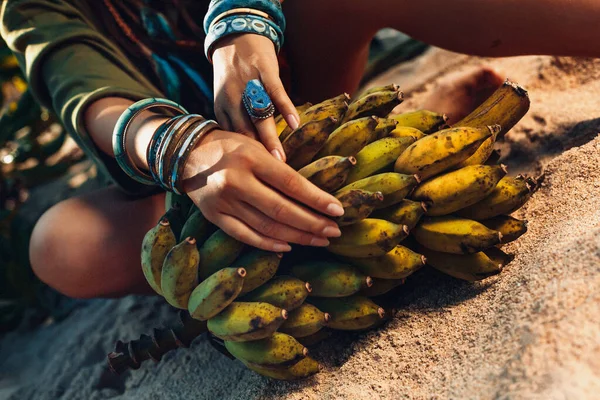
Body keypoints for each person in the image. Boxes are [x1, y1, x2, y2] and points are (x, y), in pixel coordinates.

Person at [1, 0, 598, 299]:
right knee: (61, 246)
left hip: (304, 97)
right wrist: (185, 148)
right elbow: (84, 91)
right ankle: (403, 140)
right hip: (196, 186)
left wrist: (238, 25)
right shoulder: (32, 8)